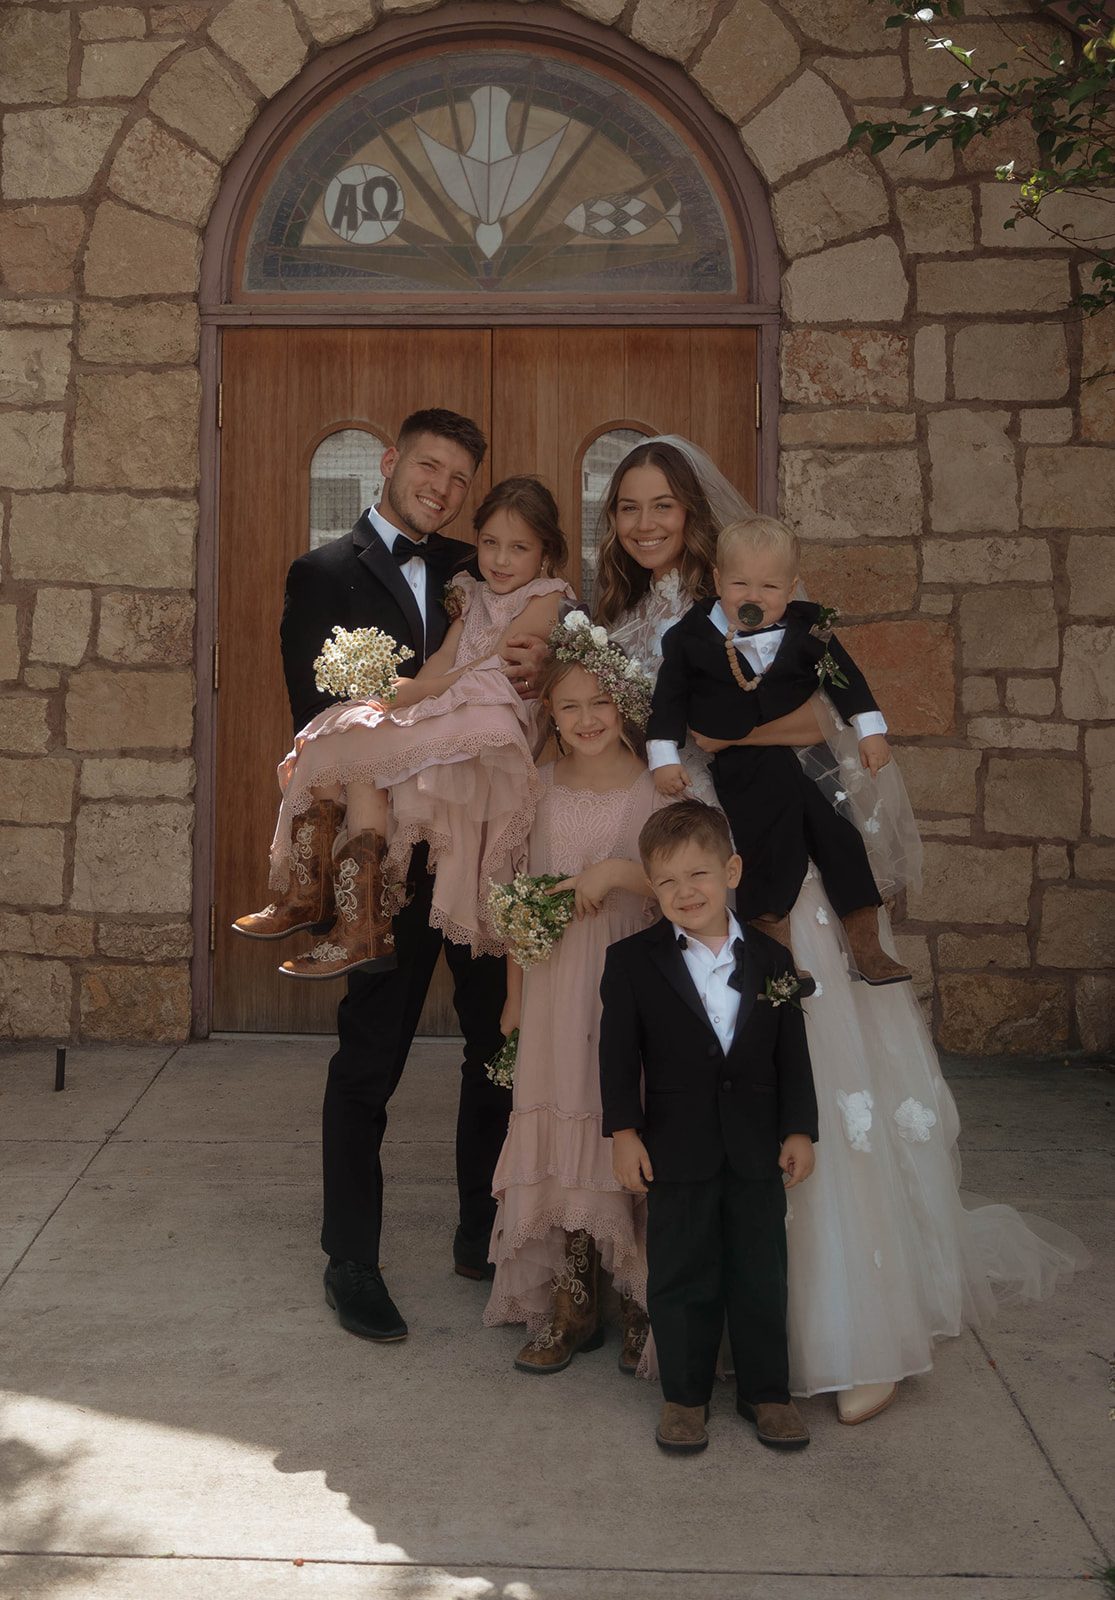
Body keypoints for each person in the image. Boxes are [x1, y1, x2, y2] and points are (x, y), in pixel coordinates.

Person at [595, 433, 1083, 1425]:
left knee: (799, 1069)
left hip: (765, 851)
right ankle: (715, 1321)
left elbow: (816, 723)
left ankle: (859, 1327)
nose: (645, 523)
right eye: (627, 507)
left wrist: (719, 741)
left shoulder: (754, 589)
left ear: (694, 512)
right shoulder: (626, 618)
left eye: (662, 505)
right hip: (681, 858)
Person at [270, 408, 549, 1344]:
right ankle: (350, 1259)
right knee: (369, 1059)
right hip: (386, 860)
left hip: (477, 852)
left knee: (493, 1046)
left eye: (460, 477)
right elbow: (324, 717)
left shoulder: (486, 570)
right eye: (429, 467)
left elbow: (532, 670)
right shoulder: (322, 572)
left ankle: (483, 1227)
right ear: (390, 464)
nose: (443, 487)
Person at [234, 475, 573, 977]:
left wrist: (421, 692)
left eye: (518, 548)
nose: (500, 560)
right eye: (490, 544)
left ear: (545, 553)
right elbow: (442, 658)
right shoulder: (469, 592)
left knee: (366, 743)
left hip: (492, 713)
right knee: (349, 736)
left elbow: (498, 665)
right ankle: (339, 907)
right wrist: (401, 693)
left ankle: (349, 912)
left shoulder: (547, 595)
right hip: (451, 698)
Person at [600, 799, 818, 1454]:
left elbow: (790, 1056)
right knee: (680, 1273)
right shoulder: (632, 961)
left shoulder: (772, 962)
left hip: (756, 1146)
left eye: (696, 875)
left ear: (730, 870)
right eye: (665, 881)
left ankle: (766, 1393)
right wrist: (624, 1132)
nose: (682, 892)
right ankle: (685, 1396)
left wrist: (798, 1129)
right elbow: (617, 1055)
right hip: (676, 1145)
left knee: (759, 1272)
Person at [483, 622, 665, 1377]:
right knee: (565, 1123)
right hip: (557, 986)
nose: (586, 718)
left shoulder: (658, 787)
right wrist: (514, 995)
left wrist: (621, 875)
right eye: (568, 707)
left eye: (599, 702)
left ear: (622, 703)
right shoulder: (540, 788)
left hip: (633, 987)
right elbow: (517, 905)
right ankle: (574, 1294)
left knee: (623, 1121)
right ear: (548, 716)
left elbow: (693, 889)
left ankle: (641, 1295)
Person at [646, 514, 911, 986]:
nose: (753, 596)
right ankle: (776, 957)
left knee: (839, 835)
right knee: (770, 844)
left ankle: (867, 946)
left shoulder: (810, 630)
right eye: (740, 582)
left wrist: (869, 730)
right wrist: (663, 756)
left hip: (809, 760)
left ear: (791, 590)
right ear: (717, 581)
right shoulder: (690, 637)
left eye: (768, 586)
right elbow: (668, 699)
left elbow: (844, 678)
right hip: (744, 765)